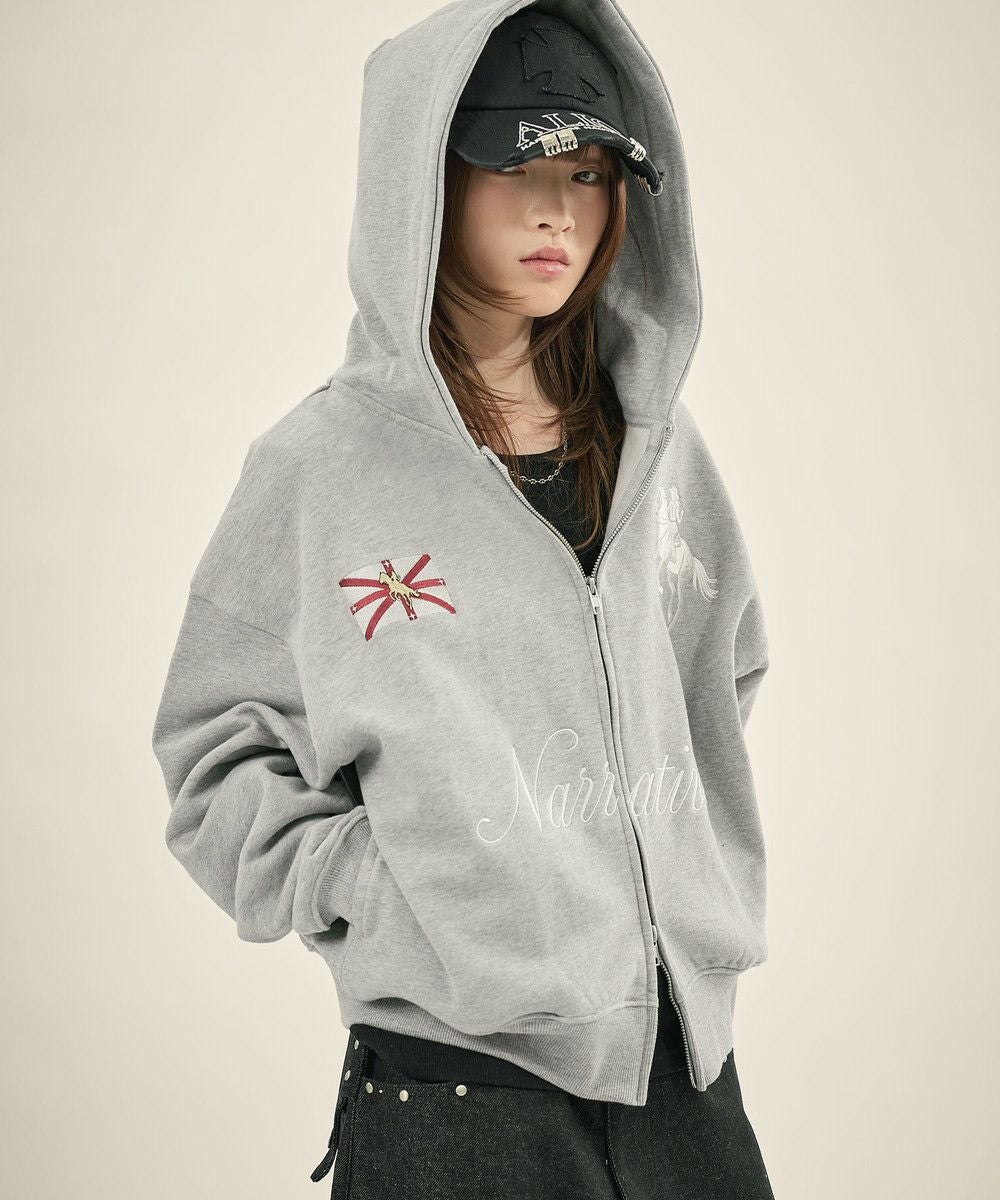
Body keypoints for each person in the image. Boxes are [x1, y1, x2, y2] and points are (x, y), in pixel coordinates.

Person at [150, 2, 775, 1197]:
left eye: (587, 174)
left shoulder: (658, 447)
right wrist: (398, 894)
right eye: (515, 168)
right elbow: (214, 754)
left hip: (685, 1078)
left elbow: (721, 672)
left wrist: (667, 860)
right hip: (456, 1096)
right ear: (422, 182)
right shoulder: (321, 468)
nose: (557, 212)